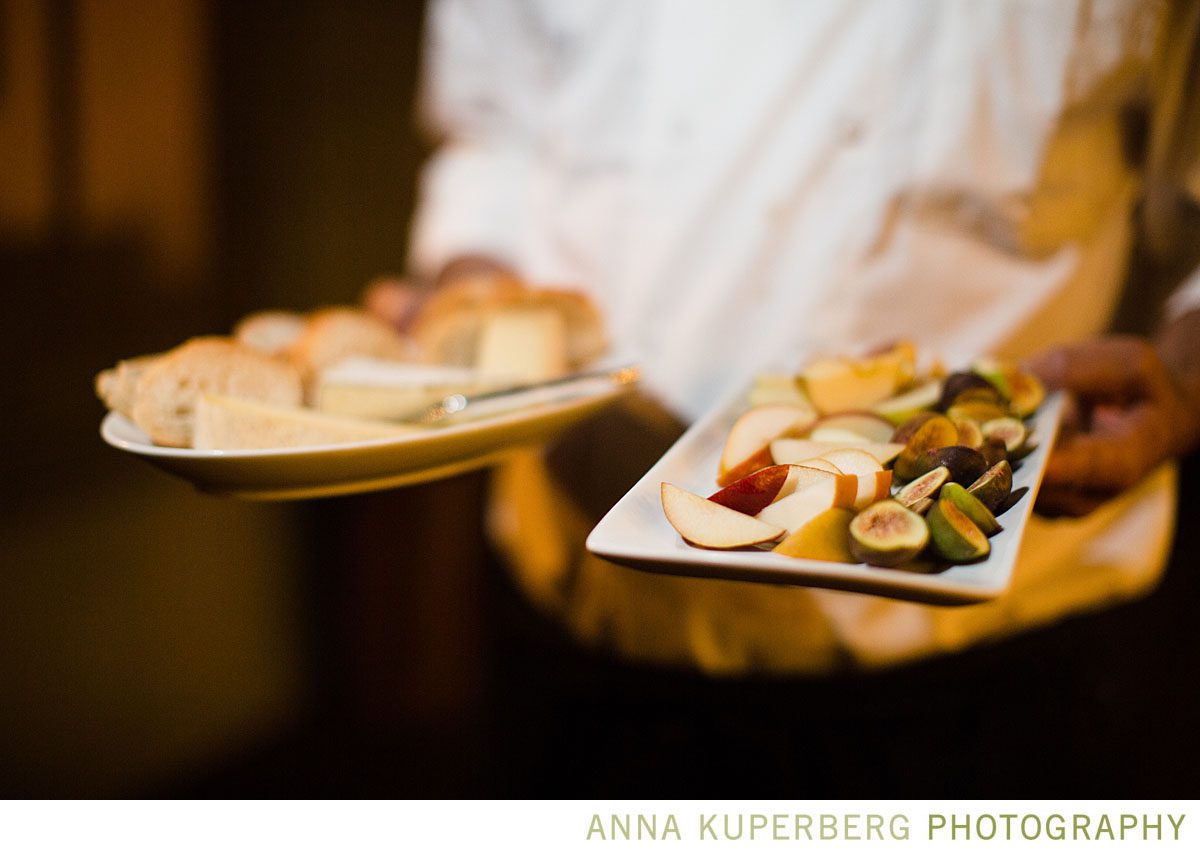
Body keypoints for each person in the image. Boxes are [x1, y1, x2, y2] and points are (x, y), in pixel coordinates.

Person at [369, 0, 1200, 675]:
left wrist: (1184, 379)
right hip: (574, 609)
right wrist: (472, 295)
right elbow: (494, 132)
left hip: (1000, 644)